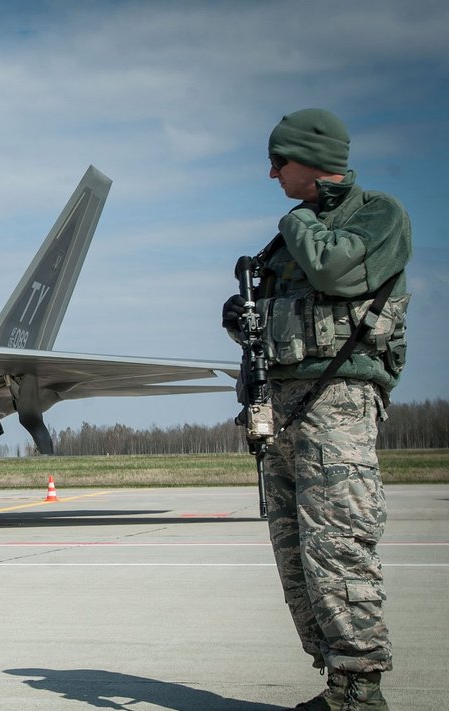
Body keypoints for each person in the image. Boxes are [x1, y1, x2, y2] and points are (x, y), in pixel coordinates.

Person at [222, 108, 412, 711]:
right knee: (295, 553)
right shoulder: (287, 239)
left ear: (309, 159)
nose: (272, 172)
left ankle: (361, 689)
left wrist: (298, 216)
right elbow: (286, 316)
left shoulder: (376, 215)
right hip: (281, 407)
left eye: (279, 162)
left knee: (338, 546)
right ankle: (337, 685)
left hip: (338, 402)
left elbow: (335, 268)